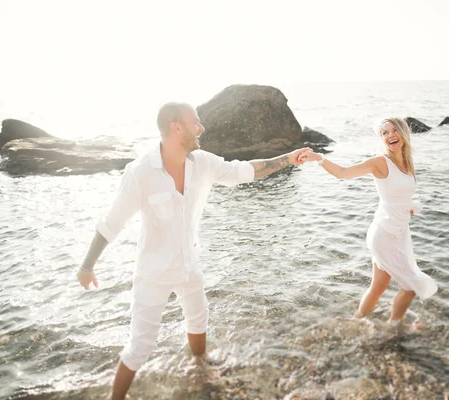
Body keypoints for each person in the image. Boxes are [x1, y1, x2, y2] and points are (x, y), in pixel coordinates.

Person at [76, 102, 310, 400]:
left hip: (189, 265)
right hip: (154, 274)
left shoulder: (202, 163)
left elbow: (244, 170)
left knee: (199, 319)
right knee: (140, 348)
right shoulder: (141, 173)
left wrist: (289, 158)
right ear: (177, 127)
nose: (201, 127)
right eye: (195, 122)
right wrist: (87, 266)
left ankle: (200, 372)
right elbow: (111, 223)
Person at [299, 117, 437, 325]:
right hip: (384, 233)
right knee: (411, 287)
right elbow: (342, 173)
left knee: (378, 287)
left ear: (403, 132)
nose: (390, 135)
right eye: (384, 133)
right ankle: (395, 326)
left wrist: (408, 209)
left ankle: (357, 320)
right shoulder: (380, 162)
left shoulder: (407, 162)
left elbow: (398, 195)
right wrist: (319, 158)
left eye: (393, 131)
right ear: (381, 138)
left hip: (399, 231)